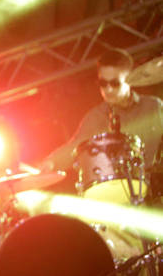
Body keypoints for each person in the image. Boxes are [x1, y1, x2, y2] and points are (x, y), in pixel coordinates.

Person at [40, 48, 163, 198]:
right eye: (103, 83)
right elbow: (75, 146)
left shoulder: (154, 106)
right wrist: (51, 162)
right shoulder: (96, 117)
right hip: (123, 198)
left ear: (132, 79)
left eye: (115, 83)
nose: (108, 89)